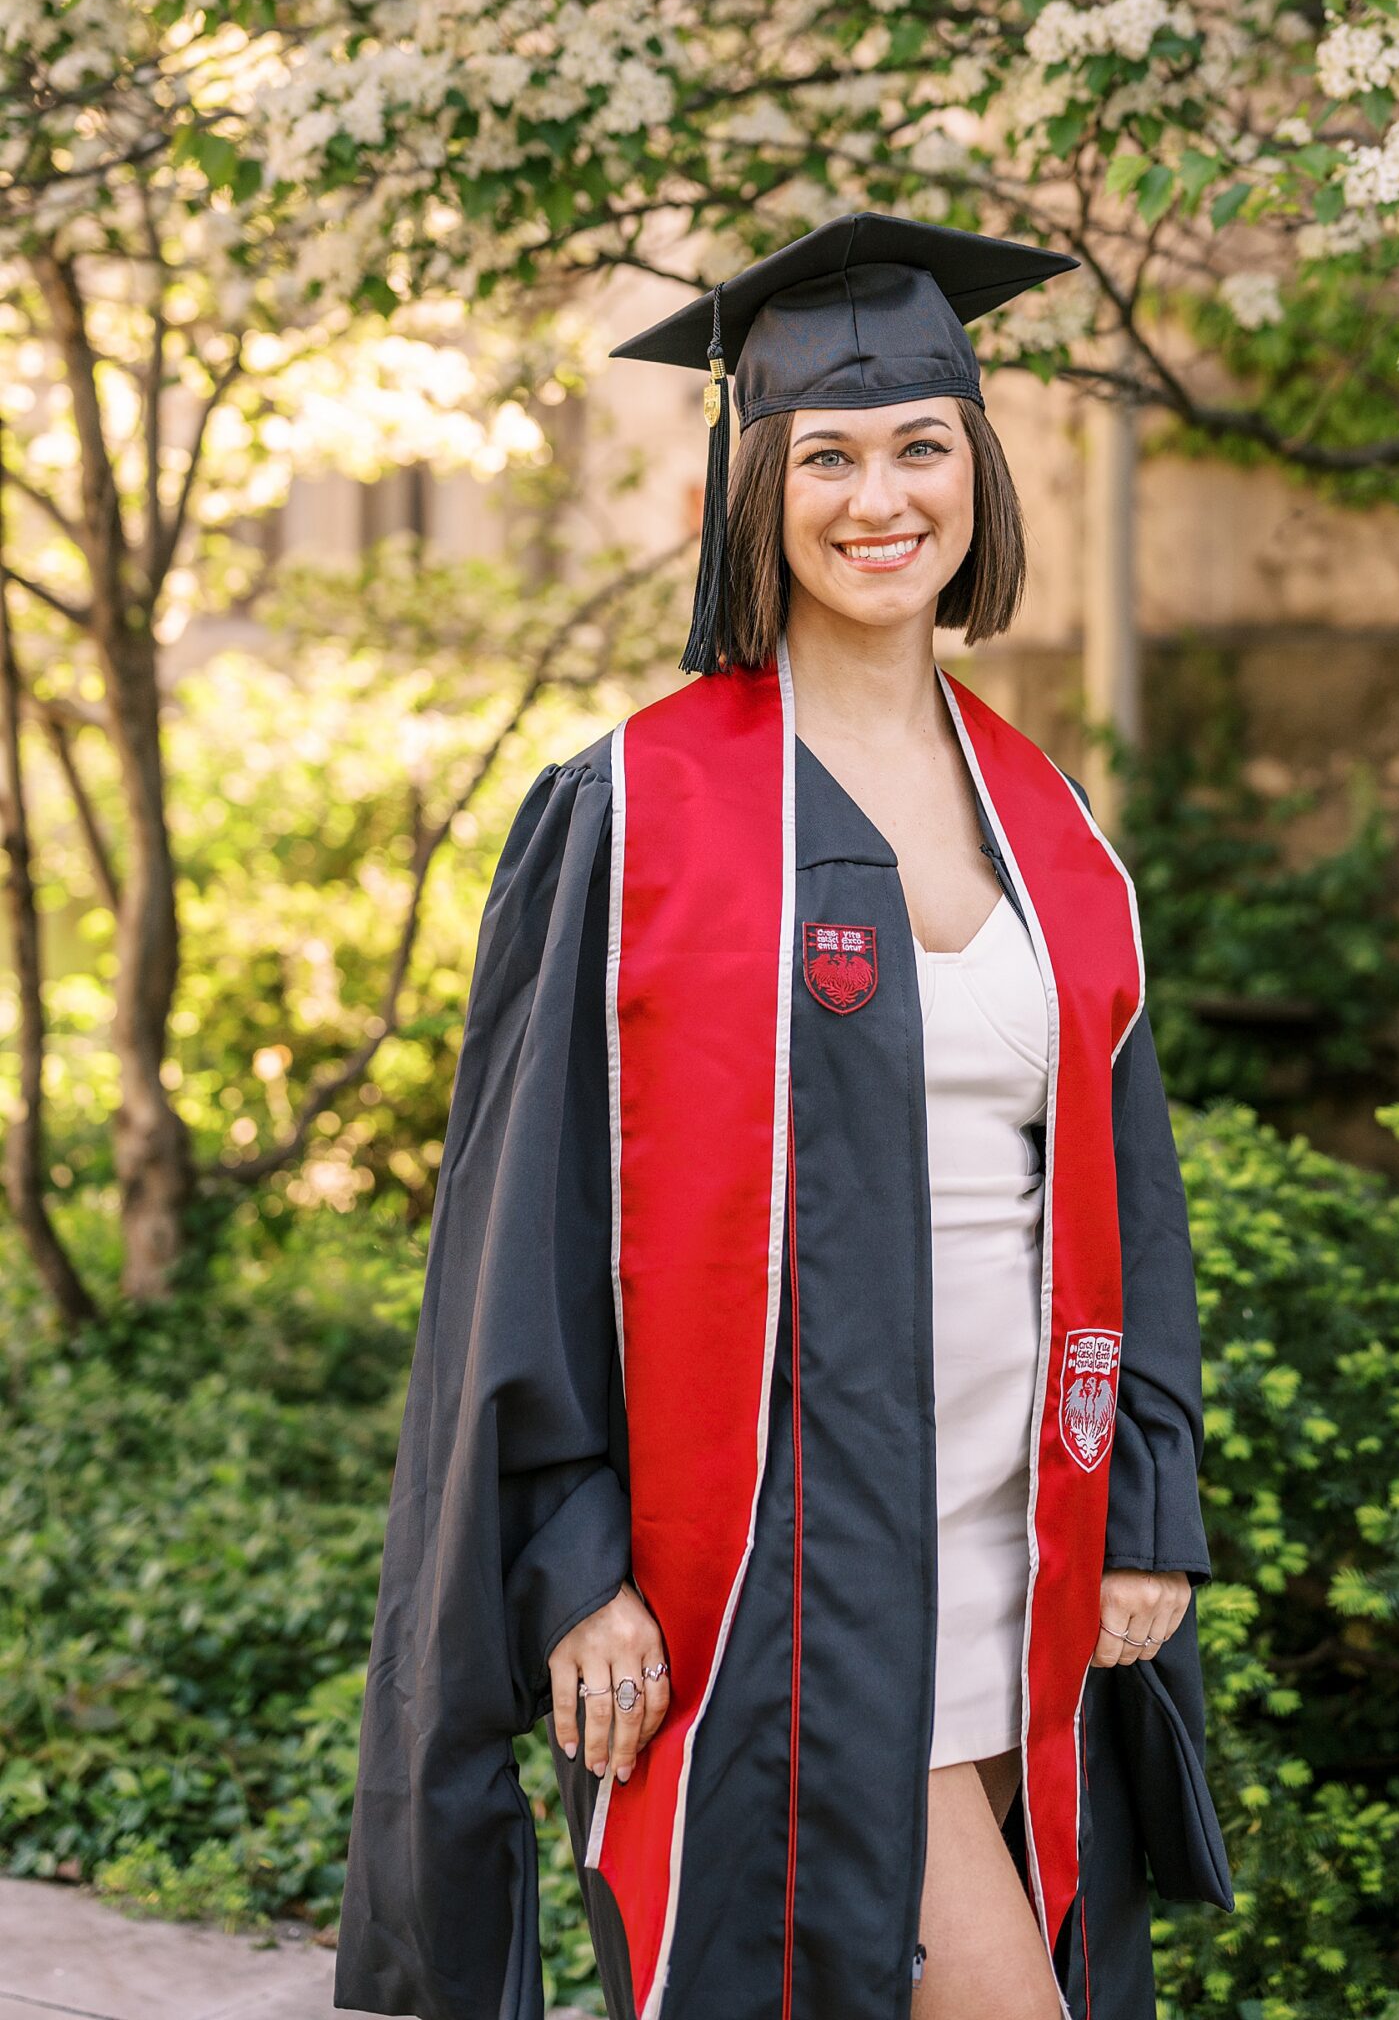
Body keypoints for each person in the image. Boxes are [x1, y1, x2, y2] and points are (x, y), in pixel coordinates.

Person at [335, 214, 1231, 2020]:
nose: (879, 497)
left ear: (979, 467)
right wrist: (574, 1552)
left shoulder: (1052, 825)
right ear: (758, 489)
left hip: (1018, 1541)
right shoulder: (642, 817)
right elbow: (527, 1227)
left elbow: (1124, 1196)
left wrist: (1145, 1491)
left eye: (921, 446)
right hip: (785, 1571)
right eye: (826, 455)